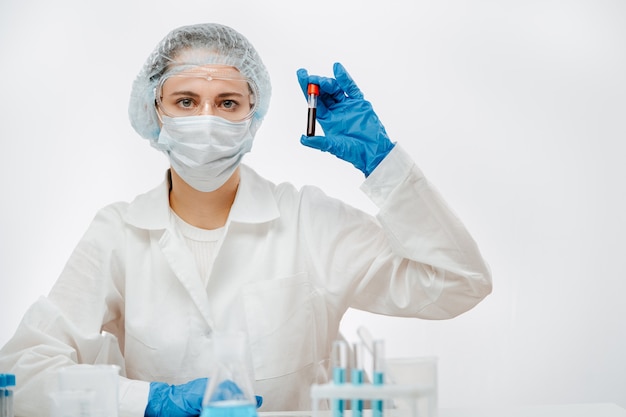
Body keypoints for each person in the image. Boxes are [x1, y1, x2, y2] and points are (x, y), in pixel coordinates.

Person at [0, 22, 492, 417]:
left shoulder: (307, 220)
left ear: (253, 115)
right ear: (155, 112)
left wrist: (384, 165)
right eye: (186, 102)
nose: (207, 120)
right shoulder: (119, 232)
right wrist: (144, 402)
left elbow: (458, 283)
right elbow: (23, 370)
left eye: (227, 102)